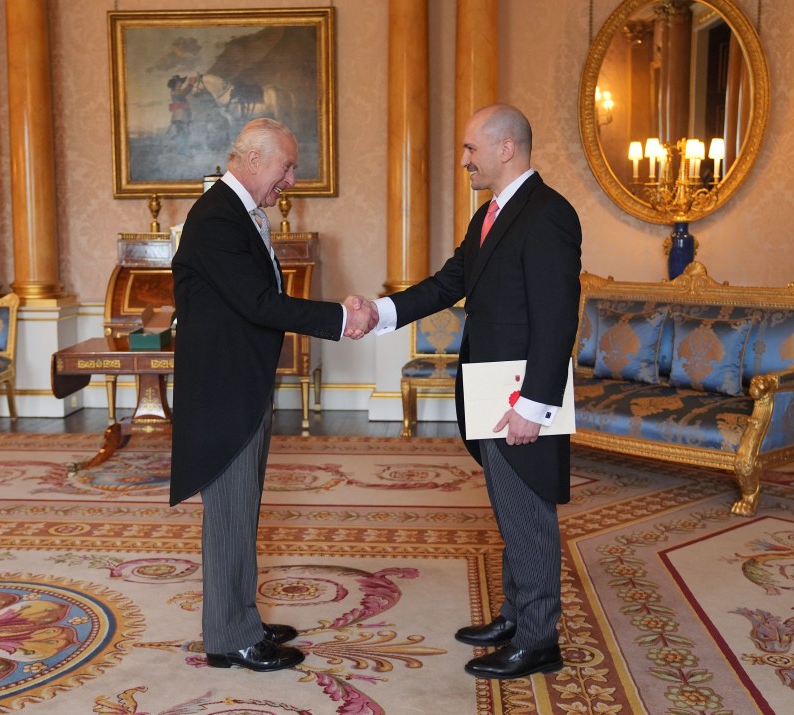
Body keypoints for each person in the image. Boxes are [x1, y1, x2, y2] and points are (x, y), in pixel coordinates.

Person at [371, 104, 582, 679]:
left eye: (471, 150)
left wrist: (533, 408)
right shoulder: (489, 215)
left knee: (530, 513)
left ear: (506, 148)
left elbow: (557, 318)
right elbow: (449, 283)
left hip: (520, 398)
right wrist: (380, 313)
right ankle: (517, 615)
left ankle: (539, 640)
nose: (464, 160)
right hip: (489, 389)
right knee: (510, 512)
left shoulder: (549, 214)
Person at [170, 117, 376, 672]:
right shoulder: (217, 218)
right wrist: (340, 317)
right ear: (256, 160)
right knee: (231, 514)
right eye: (287, 166)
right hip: (223, 390)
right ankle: (230, 637)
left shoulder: (236, 212)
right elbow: (261, 303)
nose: (292, 178)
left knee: (241, 510)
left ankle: (239, 616)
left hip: (239, 381)